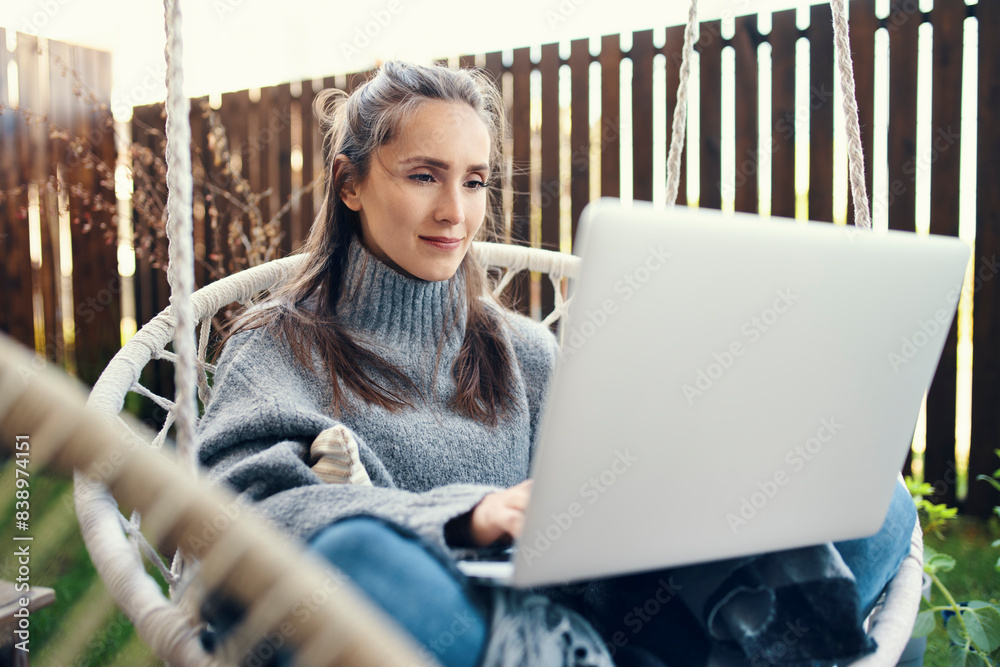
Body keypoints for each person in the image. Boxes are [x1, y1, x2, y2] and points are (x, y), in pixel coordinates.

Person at [196, 60, 917, 667]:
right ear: (350, 184)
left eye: (475, 181)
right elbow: (232, 520)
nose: (455, 210)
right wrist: (468, 516)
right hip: (454, 627)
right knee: (356, 561)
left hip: (599, 615)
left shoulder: (523, 351)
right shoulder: (280, 346)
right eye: (423, 175)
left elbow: (602, 501)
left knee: (875, 504)